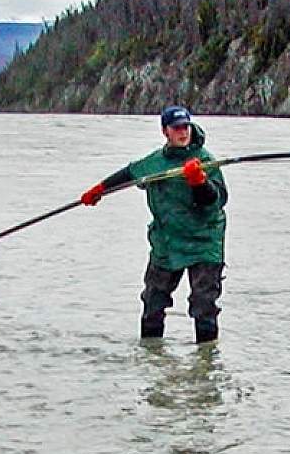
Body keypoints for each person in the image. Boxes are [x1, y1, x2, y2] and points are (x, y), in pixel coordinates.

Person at [81, 105, 229, 344]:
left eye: (186, 127)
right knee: (153, 303)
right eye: (177, 128)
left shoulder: (205, 161)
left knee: (204, 306)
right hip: (167, 243)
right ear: (165, 132)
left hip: (205, 242)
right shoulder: (155, 163)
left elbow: (215, 201)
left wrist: (199, 181)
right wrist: (99, 190)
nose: (183, 132)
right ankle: (151, 360)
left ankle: (206, 367)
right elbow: (128, 174)